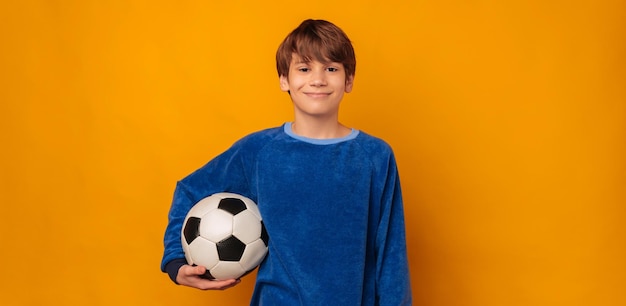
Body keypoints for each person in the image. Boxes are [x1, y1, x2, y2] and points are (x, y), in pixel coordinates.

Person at [161, 19, 412, 305]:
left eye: (331, 69)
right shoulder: (259, 150)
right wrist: (175, 261)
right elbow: (190, 190)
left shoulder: (375, 156)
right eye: (304, 69)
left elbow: (391, 253)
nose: (317, 79)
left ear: (349, 80)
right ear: (284, 79)